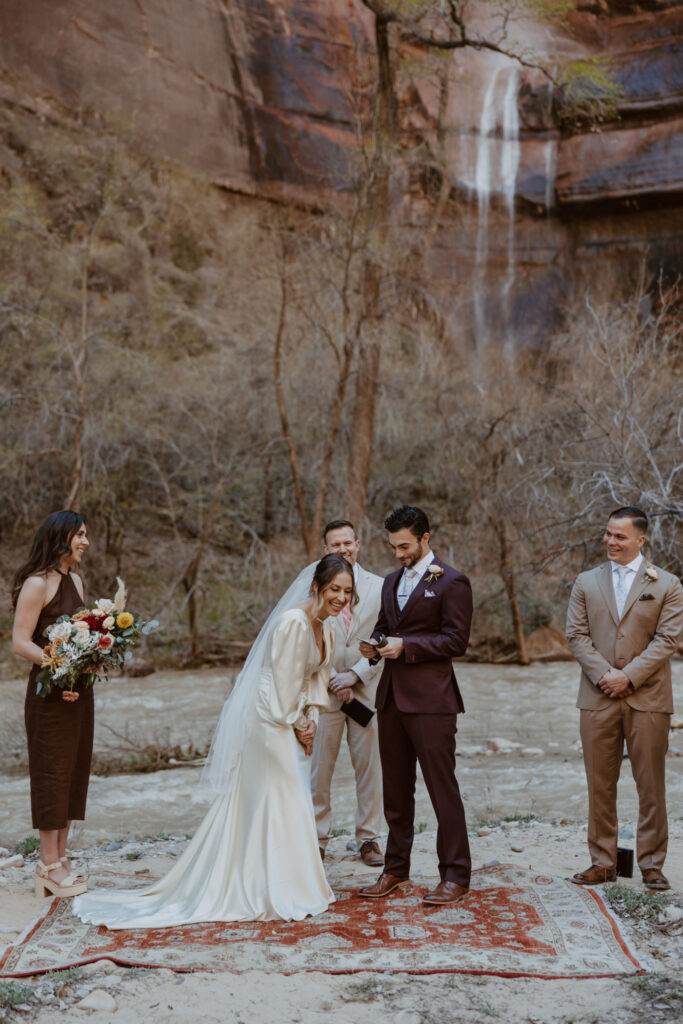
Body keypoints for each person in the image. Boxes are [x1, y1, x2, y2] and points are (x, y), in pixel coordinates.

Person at [73, 554, 355, 927]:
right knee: (280, 793)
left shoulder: (328, 625)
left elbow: (315, 679)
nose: (340, 597)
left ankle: (289, 882)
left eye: (347, 591)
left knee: (291, 795)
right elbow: (284, 684)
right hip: (271, 718)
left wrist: (313, 718)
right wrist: (299, 722)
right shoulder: (293, 624)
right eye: (334, 589)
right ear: (316, 587)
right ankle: (264, 888)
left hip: (295, 715)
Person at [358, 505, 473, 906]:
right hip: (390, 698)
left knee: (443, 790)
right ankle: (395, 870)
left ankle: (455, 875)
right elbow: (386, 626)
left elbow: (456, 641)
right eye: (392, 546)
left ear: (426, 537)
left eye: (404, 545)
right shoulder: (390, 583)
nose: (397, 554)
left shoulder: (453, 582)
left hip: (432, 701)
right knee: (395, 791)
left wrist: (406, 647)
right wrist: (374, 644)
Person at [566, 506, 683, 890]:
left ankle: (651, 865)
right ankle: (602, 863)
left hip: (648, 698)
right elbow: (576, 636)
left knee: (651, 785)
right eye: (607, 533)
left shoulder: (667, 584)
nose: (610, 541)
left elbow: (668, 640)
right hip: (597, 697)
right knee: (600, 784)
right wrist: (605, 675)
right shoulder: (586, 581)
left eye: (619, 536)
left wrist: (628, 676)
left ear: (640, 539)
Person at [12, 510, 92, 899]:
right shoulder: (36, 584)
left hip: (79, 691)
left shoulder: (75, 579)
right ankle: (47, 865)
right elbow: (21, 642)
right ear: (60, 537)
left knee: (74, 770)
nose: (85, 542)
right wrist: (60, 662)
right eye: (80, 535)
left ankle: (61, 857)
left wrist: (92, 659)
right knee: (51, 772)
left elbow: (85, 635)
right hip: (48, 693)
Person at [310, 519, 384, 866]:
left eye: (348, 543)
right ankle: (317, 836)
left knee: (369, 767)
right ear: (326, 549)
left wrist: (355, 675)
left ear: (359, 544)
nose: (343, 549)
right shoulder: (313, 587)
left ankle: (368, 838)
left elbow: (385, 642)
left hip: (365, 692)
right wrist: (331, 679)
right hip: (323, 692)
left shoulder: (380, 587)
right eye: (335, 545)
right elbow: (306, 638)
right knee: (319, 768)